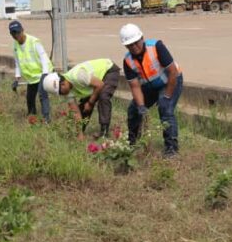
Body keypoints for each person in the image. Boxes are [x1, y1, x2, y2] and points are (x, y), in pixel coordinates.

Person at [120, 23, 183, 157]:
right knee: (133, 110)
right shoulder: (127, 61)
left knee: (165, 108)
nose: (134, 47)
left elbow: (172, 72)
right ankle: (133, 143)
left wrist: (167, 96)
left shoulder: (156, 47)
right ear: (126, 46)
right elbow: (135, 86)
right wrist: (141, 106)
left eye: (136, 42)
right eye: (130, 45)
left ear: (142, 38)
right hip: (150, 86)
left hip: (170, 81)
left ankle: (171, 149)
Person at [42, 58, 120, 138]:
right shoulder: (67, 91)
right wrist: (80, 134)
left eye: (61, 92)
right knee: (83, 107)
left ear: (62, 84)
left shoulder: (78, 76)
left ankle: (104, 132)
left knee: (103, 97)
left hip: (108, 70)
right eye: (59, 94)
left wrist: (90, 102)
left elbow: (100, 85)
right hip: (94, 83)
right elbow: (76, 112)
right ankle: (82, 132)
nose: (62, 95)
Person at [9, 20, 51, 122]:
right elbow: (18, 62)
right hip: (31, 77)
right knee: (30, 98)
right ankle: (32, 116)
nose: (16, 35)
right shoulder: (15, 45)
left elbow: (44, 58)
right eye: (13, 33)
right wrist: (17, 78)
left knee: (42, 95)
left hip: (42, 73)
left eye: (18, 32)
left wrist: (45, 74)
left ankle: (46, 119)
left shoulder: (34, 41)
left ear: (22, 30)